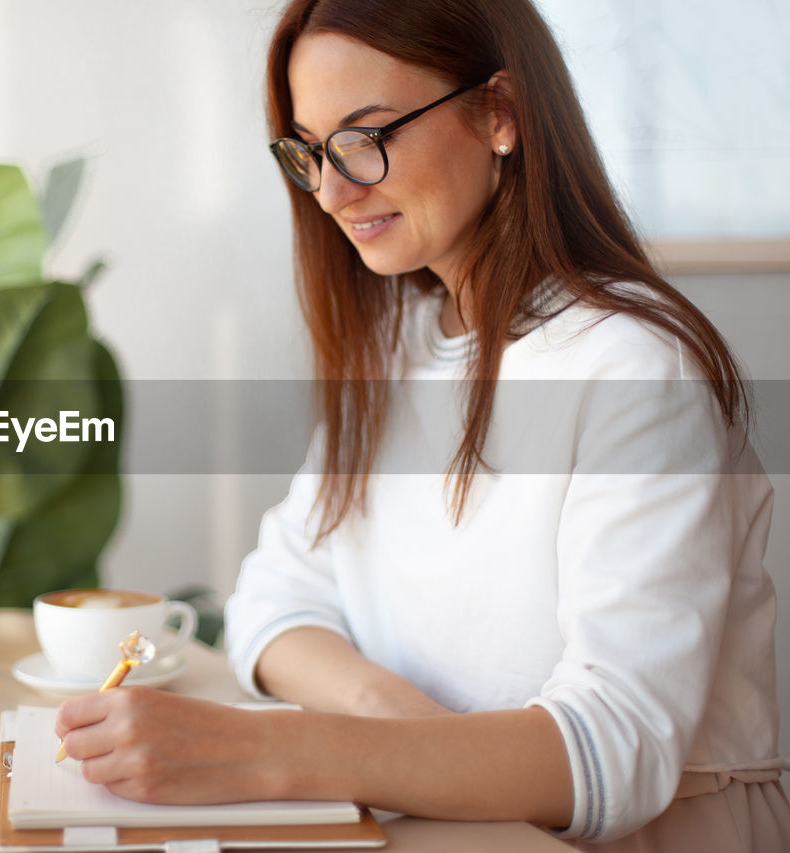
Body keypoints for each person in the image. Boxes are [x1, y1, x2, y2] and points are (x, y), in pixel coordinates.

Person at [54, 0, 790, 848]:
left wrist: (275, 749)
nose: (332, 190)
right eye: (313, 151)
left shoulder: (631, 369)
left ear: (501, 114)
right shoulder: (395, 342)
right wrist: (405, 732)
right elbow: (274, 599)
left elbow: (614, 752)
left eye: (368, 136)